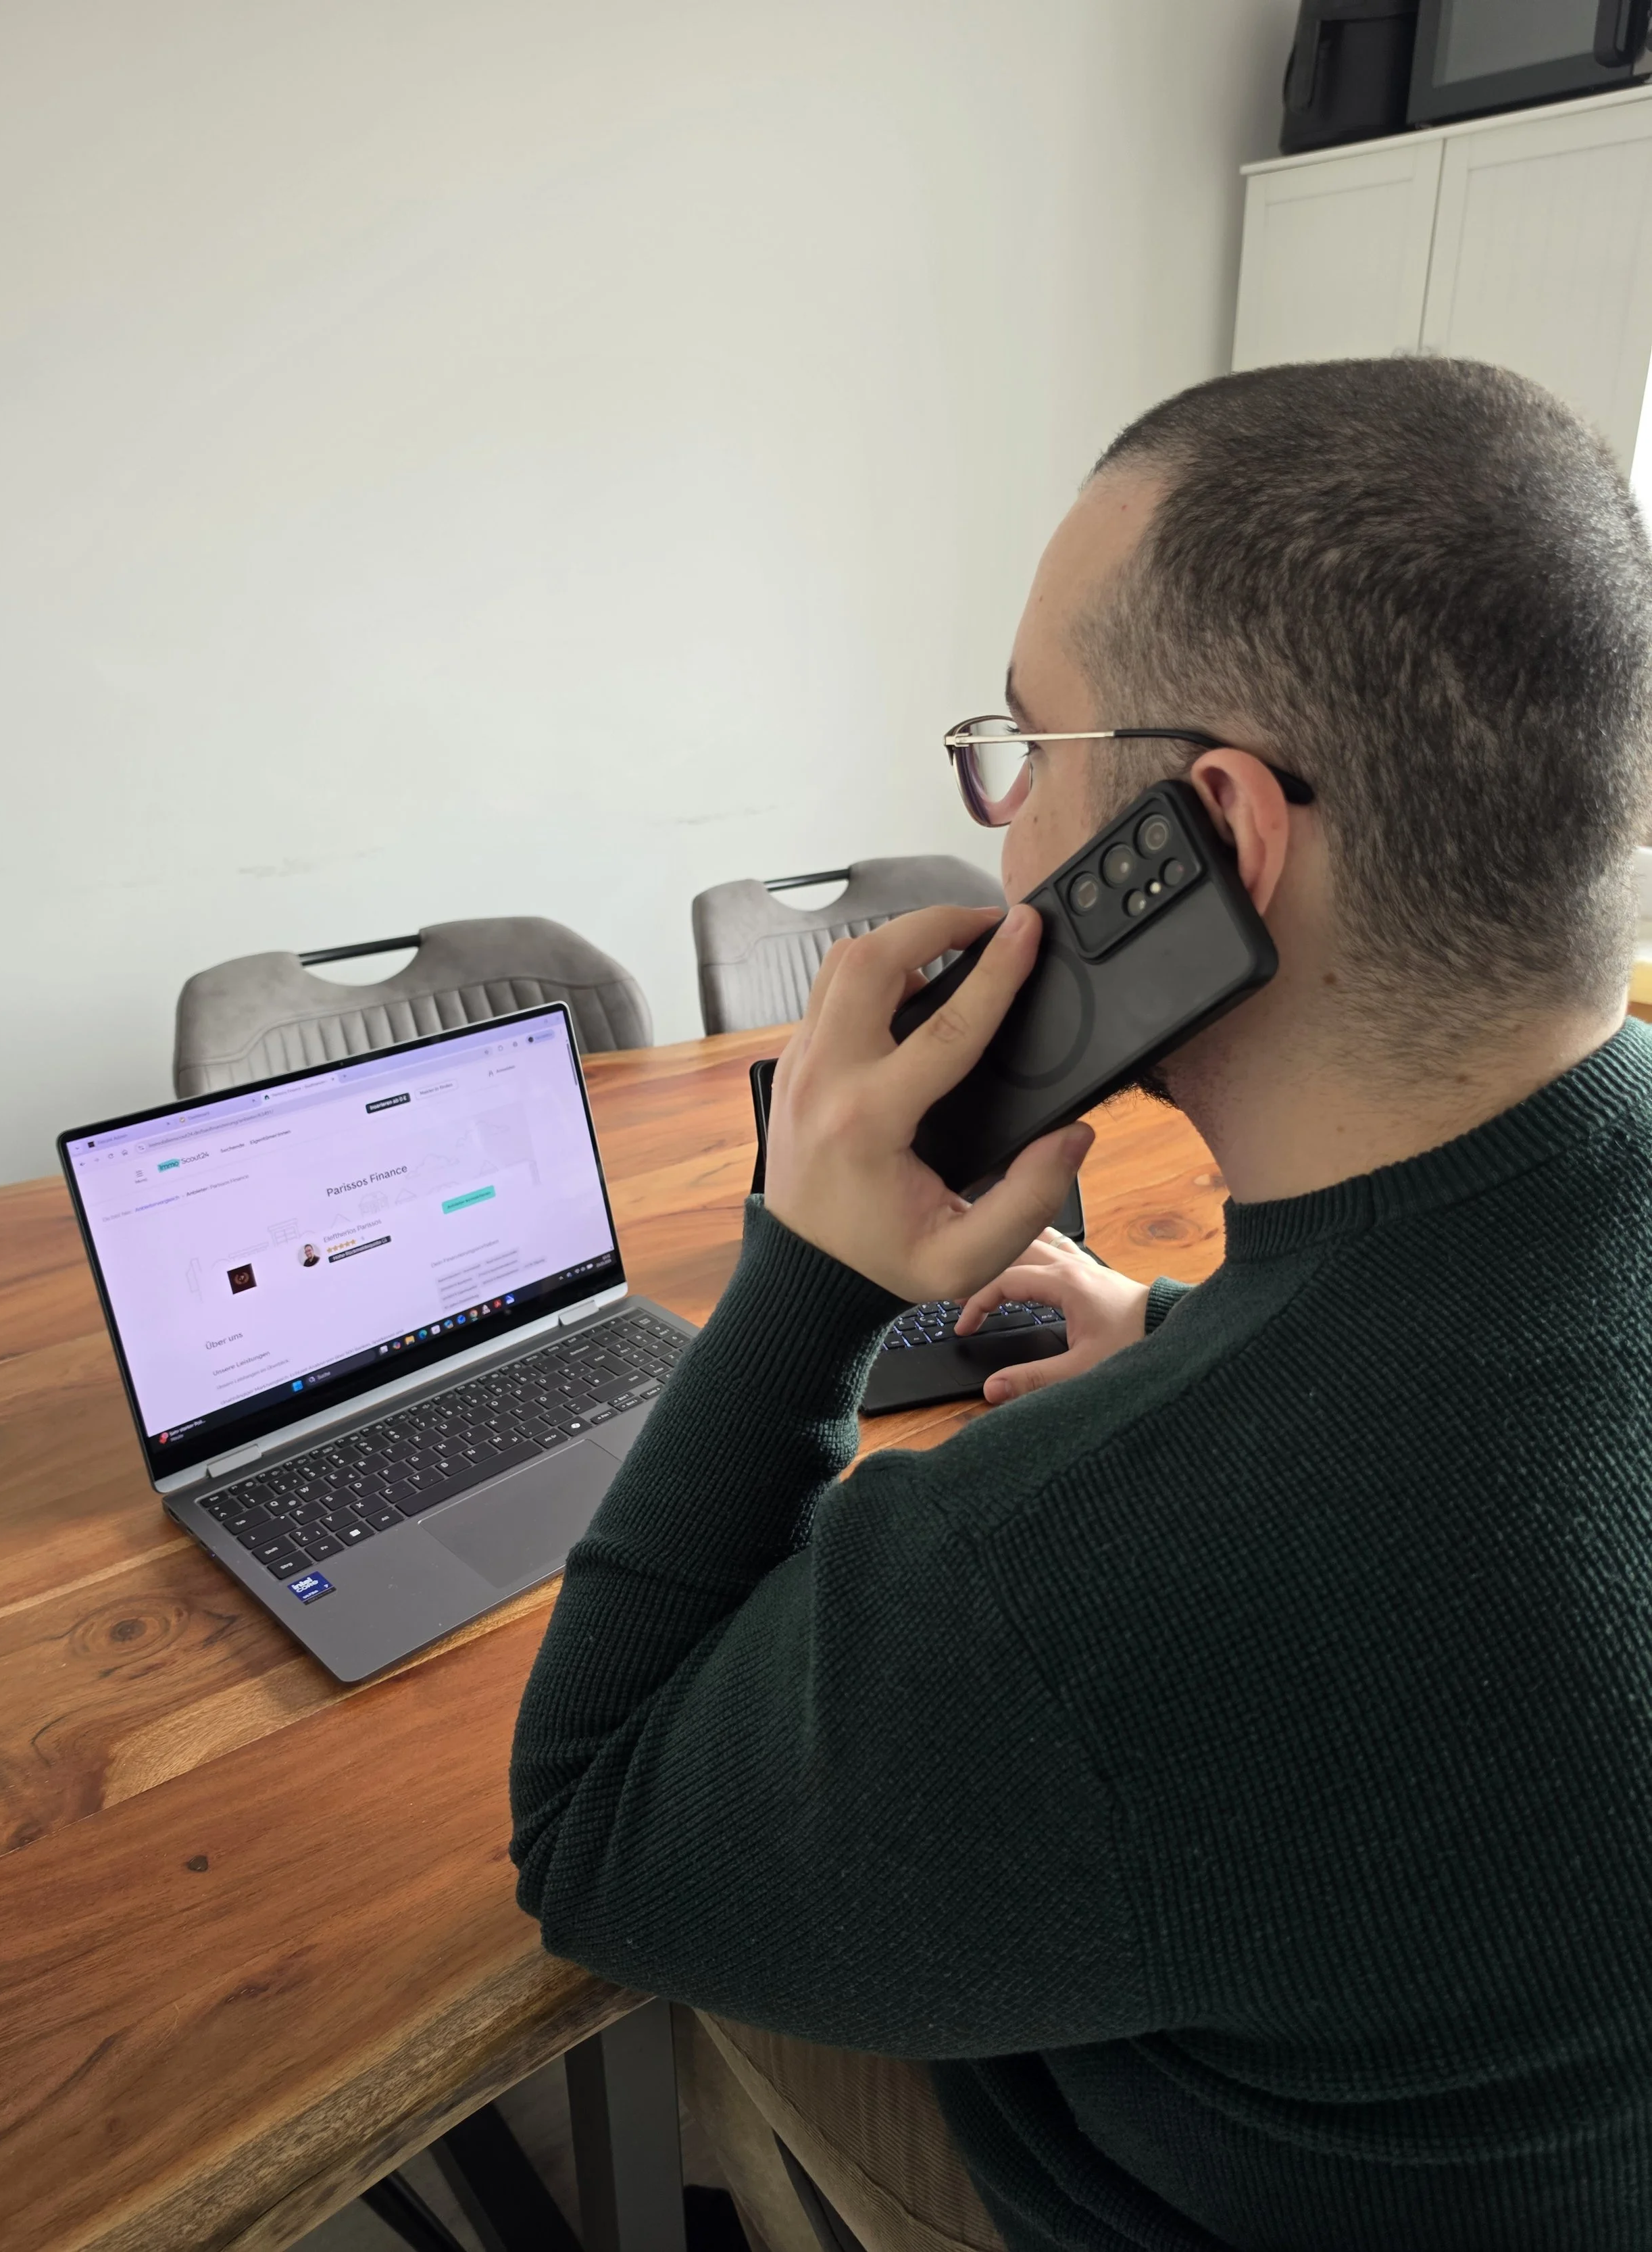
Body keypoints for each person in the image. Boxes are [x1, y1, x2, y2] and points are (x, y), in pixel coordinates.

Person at [509, 359, 1652, 2251]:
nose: (1003, 821)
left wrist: (809, 1282)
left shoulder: (1054, 1582)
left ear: (1209, 833)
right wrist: (1191, 1334)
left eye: (1025, 749)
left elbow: (592, 1819)